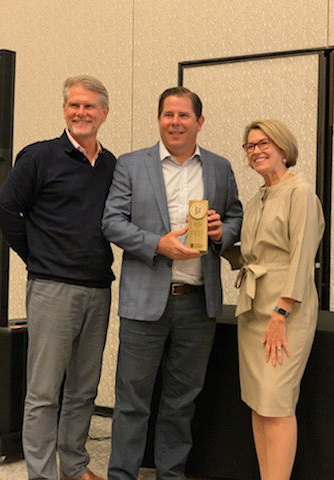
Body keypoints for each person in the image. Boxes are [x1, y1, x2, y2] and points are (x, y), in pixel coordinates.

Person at [102, 86, 243, 480]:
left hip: (198, 305)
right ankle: (122, 475)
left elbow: (235, 218)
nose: (175, 122)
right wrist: (156, 244)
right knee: (132, 401)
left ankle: (171, 474)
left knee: (181, 402)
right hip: (144, 301)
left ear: (199, 122)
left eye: (183, 115)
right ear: (159, 119)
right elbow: (111, 222)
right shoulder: (131, 165)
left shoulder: (219, 167)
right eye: (168, 114)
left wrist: (221, 233)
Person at [0, 75, 116, 480]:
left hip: (99, 289)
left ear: (104, 113)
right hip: (52, 288)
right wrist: (37, 256)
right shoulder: (39, 157)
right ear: (64, 109)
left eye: (89, 106)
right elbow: (7, 211)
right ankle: (42, 474)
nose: (81, 112)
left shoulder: (110, 165)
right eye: (73, 105)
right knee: (44, 393)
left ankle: (75, 466)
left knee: (84, 389)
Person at [235, 119, 325, 480]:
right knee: (259, 404)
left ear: (283, 148)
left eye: (263, 143)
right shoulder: (258, 197)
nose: (256, 150)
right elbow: (252, 255)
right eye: (250, 145)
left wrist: (281, 313)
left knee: (277, 402)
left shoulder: (300, 191)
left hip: (285, 309)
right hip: (253, 306)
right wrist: (216, 242)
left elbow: (302, 258)